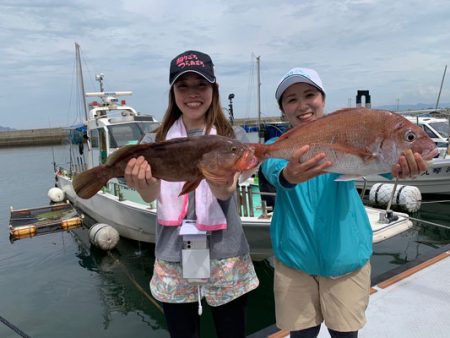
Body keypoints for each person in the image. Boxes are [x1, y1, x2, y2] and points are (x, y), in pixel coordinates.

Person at [260, 67, 428, 338]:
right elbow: (272, 167)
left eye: (309, 94)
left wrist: (404, 166)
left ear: (323, 99)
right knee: (301, 335)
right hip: (294, 262)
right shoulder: (276, 144)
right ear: (282, 109)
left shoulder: (349, 131)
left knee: (345, 334)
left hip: (345, 260)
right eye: (291, 99)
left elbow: (387, 165)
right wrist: (287, 175)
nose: (302, 105)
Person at [124, 50, 259, 338]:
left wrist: (221, 179)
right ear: (172, 92)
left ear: (214, 89)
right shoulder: (154, 141)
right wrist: (141, 181)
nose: (192, 93)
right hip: (173, 256)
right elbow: (150, 196)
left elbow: (227, 191)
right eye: (182, 86)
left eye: (201, 85)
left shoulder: (233, 140)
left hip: (227, 257)